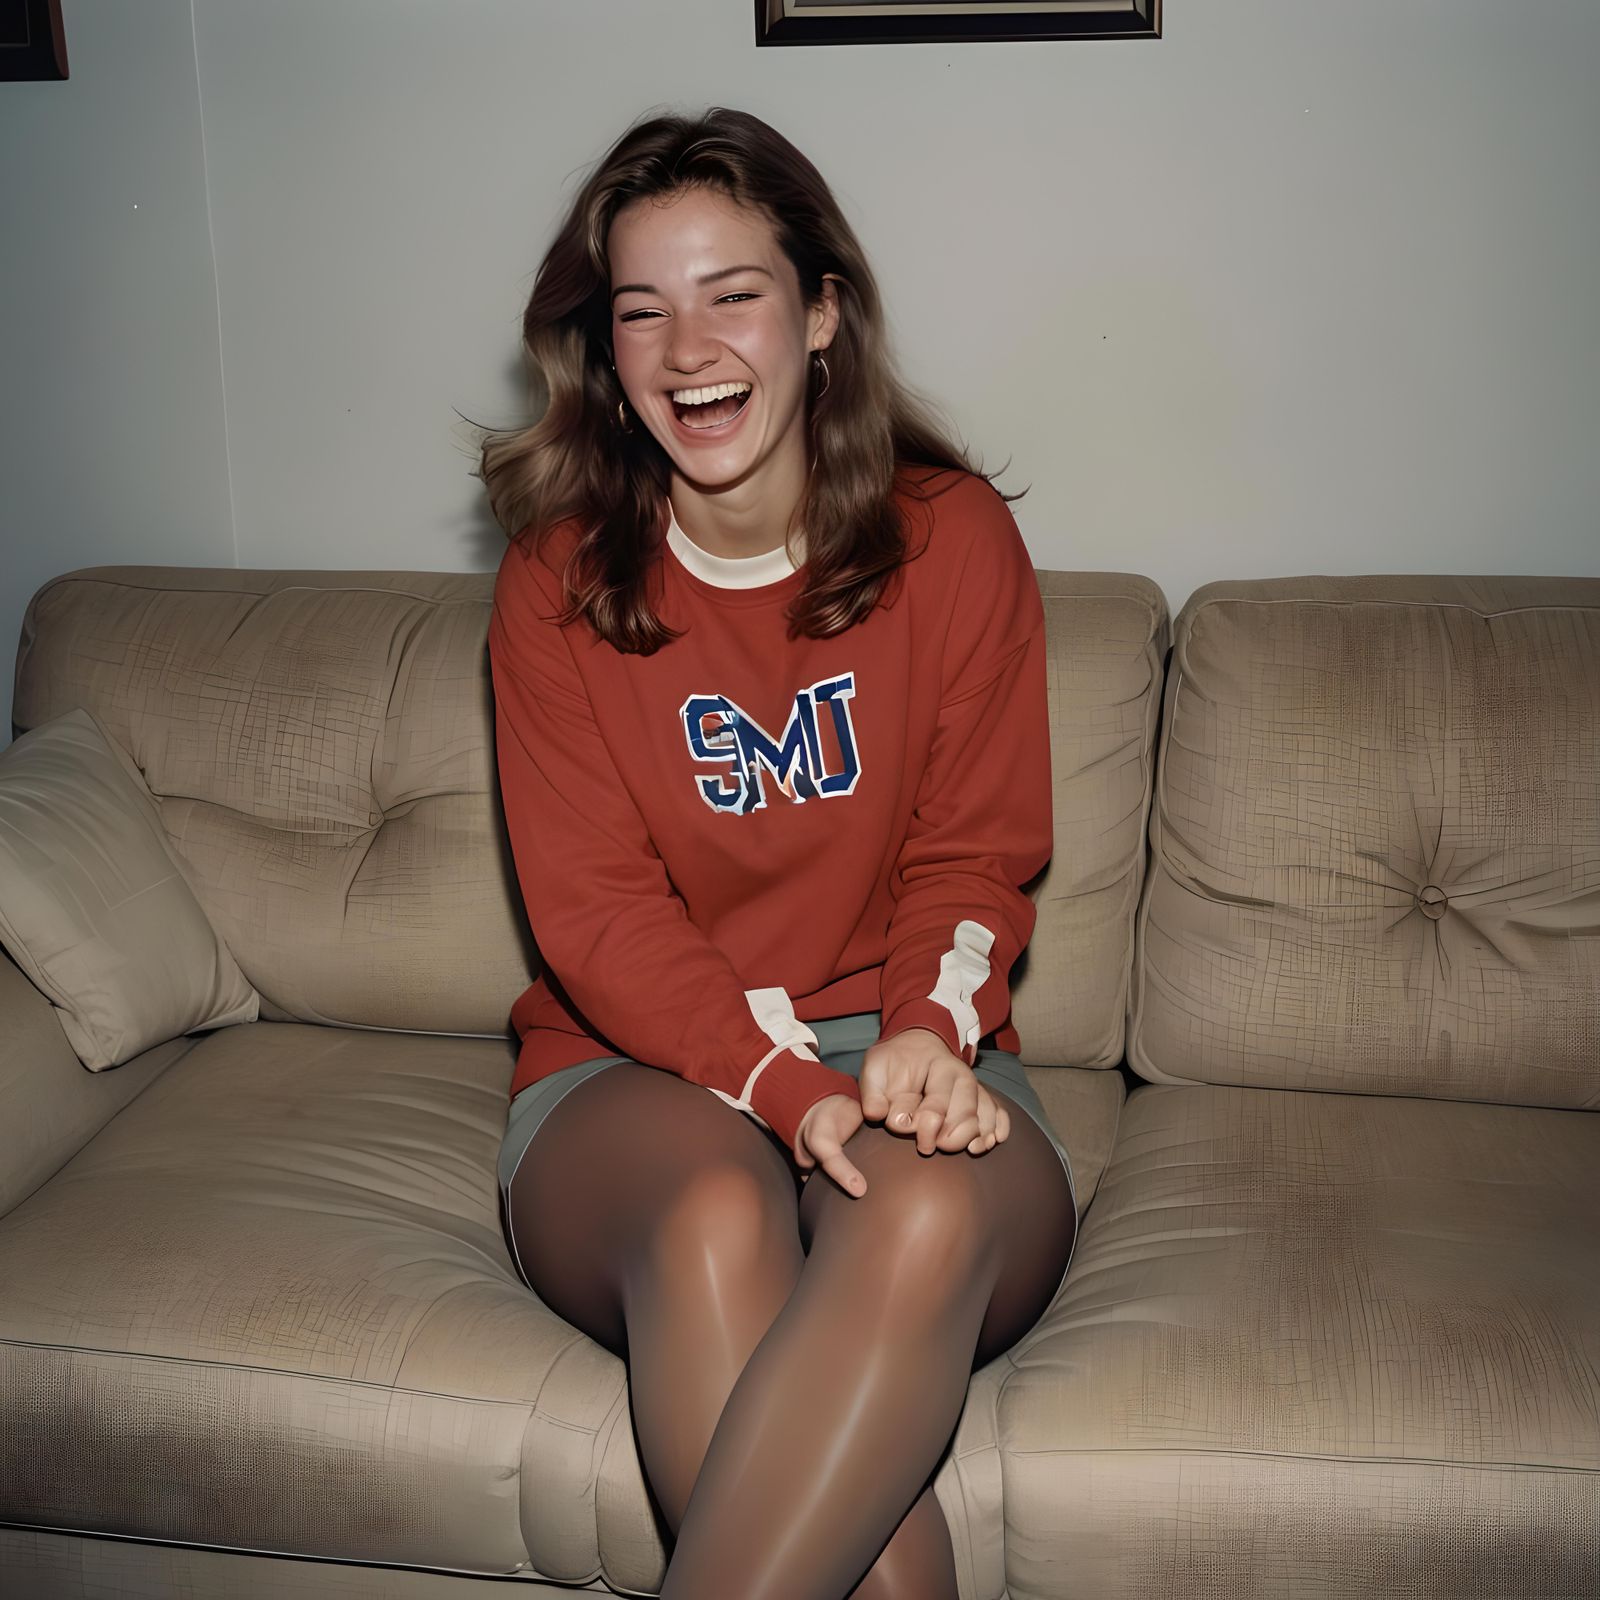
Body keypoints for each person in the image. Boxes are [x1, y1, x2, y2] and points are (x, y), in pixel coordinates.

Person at [475, 105, 1079, 1600]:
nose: (688, 348)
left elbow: (976, 851)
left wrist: (930, 1031)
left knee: (918, 1201)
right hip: (632, 1073)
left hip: (908, 1039)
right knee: (716, 1210)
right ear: (601, 356)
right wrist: (779, 1089)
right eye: (642, 309)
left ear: (820, 313)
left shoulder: (953, 544)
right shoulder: (554, 590)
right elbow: (599, 920)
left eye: (733, 292)